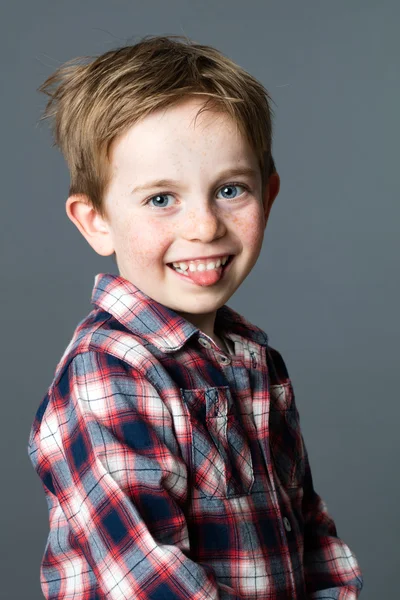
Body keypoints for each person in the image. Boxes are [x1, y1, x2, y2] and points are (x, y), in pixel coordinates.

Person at [27, 34, 363, 599]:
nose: (205, 227)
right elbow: (150, 581)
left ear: (269, 195)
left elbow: (311, 537)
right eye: (161, 198)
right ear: (96, 221)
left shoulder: (255, 361)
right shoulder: (109, 374)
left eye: (230, 190)